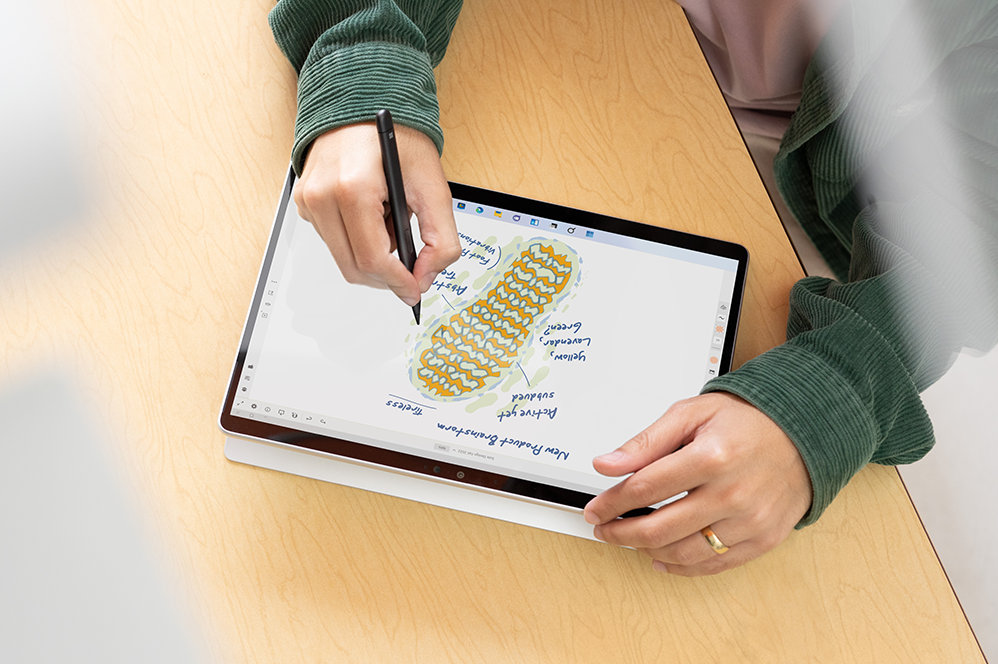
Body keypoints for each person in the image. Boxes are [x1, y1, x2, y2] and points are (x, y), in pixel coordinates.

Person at [267, 0, 998, 575]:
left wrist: (827, 395)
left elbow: (971, 227)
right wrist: (361, 60)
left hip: (787, 194)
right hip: (538, 64)